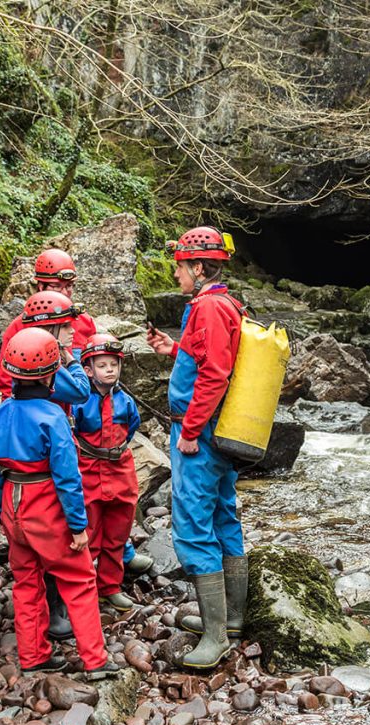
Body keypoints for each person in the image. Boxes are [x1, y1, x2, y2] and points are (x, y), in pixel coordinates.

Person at [0, 327, 119, 680]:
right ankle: (96, 660)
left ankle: (33, 655)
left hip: (13, 503)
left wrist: (0, 512)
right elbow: (68, 479)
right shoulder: (53, 417)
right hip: (46, 503)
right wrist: (78, 526)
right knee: (79, 577)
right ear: (50, 373)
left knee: (26, 581)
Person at [146, 226, 247, 670]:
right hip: (223, 431)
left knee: (192, 525)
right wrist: (174, 349)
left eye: (181, 266)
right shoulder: (224, 304)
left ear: (199, 267)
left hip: (201, 435)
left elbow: (214, 376)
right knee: (224, 513)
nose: (176, 272)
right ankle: (234, 619)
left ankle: (214, 636)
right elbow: (205, 360)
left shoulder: (207, 307)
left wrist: (188, 429)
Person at [32, 247, 154, 577]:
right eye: (60, 285)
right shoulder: (26, 324)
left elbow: (98, 354)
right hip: (51, 412)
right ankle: (65, 563)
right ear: (42, 287)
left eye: (70, 285)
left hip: (89, 409)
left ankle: (118, 554)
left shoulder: (82, 320)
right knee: (67, 493)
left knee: (112, 497)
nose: (68, 291)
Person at [0, 289, 91, 641]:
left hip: (21, 466)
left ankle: (36, 628)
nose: (73, 331)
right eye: (66, 326)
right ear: (50, 330)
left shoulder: (22, 353)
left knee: (28, 551)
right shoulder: (47, 364)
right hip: (46, 460)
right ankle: (56, 611)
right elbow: (80, 392)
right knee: (58, 533)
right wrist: (74, 358)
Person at [72, 334, 141, 610]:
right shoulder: (78, 401)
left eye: (114, 364)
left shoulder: (126, 401)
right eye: (102, 365)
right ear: (88, 370)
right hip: (88, 471)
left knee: (118, 533)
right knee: (88, 533)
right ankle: (83, 586)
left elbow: (132, 428)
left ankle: (110, 586)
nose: (110, 370)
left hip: (120, 470)